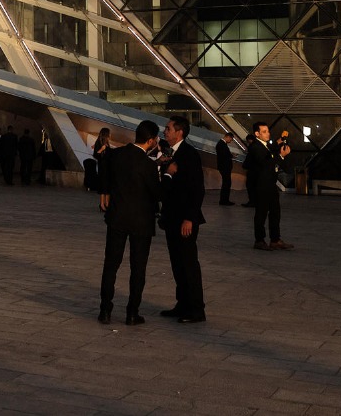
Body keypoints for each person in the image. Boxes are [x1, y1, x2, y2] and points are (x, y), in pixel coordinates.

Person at [97, 119, 162, 325]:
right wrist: (168, 175)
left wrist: (105, 190)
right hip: (141, 222)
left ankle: (105, 310)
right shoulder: (148, 165)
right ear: (151, 141)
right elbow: (157, 193)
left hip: (117, 218)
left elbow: (104, 163)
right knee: (138, 268)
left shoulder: (117, 155)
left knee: (111, 265)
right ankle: (132, 313)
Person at [159, 115, 206, 324]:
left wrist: (190, 218)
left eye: (168, 129)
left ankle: (196, 309)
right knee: (177, 263)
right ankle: (182, 303)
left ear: (179, 132)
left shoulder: (189, 155)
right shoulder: (169, 153)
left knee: (188, 263)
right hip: (171, 218)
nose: (165, 132)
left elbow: (197, 189)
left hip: (184, 219)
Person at [246, 123, 293, 251]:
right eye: (265, 131)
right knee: (261, 213)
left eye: (268, 131)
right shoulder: (255, 147)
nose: (268, 133)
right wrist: (281, 156)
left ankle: (275, 239)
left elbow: (271, 148)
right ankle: (259, 240)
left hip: (270, 184)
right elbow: (266, 162)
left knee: (275, 212)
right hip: (261, 185)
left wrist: (280, 139)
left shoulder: (265, 145)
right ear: (257, 134)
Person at [216, 132, 236, 206]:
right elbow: (224, 155)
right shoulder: (221, 144)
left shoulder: (221, 144)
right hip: (224, 167)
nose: (231, 141)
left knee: (226, 183)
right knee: (226, 184)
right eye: (231, 139)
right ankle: (224, 200)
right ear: (228, 137)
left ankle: (224, 200)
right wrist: (231, 155)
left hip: (224, 167)